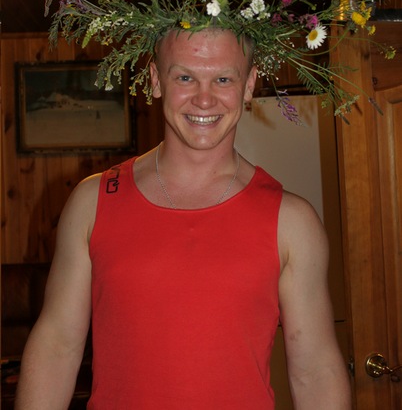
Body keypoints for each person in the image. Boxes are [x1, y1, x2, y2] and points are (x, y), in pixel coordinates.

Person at [15, 26, 351, 409]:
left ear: (248, 85)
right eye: (185, 78)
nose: (204, 99)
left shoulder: (292, 222)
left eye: (223, 79)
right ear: (157, 80)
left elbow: (315, 370)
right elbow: (57, 345)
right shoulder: (93, 202)